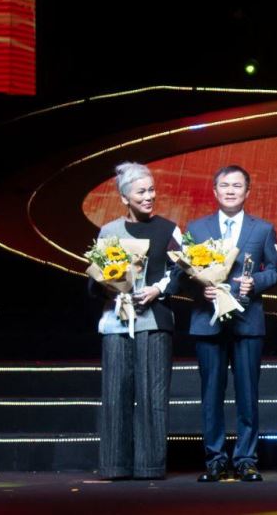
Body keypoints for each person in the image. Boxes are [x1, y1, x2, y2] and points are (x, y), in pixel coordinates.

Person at [186, 165, 277, 483]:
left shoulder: (262, 229)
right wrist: (201, 288)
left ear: (247, 192)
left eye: (237, 186)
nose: (230, 191)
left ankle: (246, 459)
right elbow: (181, 273)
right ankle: (215, 459)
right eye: (224, 185)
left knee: (247, 394)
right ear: (214, 191)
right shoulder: (196, 228)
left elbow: (276, 270)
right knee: (211, 393)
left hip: (247, 321)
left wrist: (256, 282)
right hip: (207, 320)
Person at [94, 161, 182, 481]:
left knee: (152, 396)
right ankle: (114, 464)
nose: (149, 197)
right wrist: (110, 284)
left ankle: (149, 465)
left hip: (154, 322)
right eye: (141, 192)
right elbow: (94, 279)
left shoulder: (169, 229)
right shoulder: (109, 232)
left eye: (151, 190)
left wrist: (157, 289)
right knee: (115, 394)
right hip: (117, 321)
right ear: (124, 198)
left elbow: (182, 271)